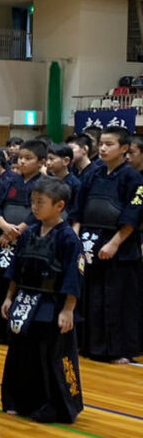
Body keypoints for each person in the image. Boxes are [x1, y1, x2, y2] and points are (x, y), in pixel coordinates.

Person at [0, 177, 84, 423]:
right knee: (21, 353)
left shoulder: (68, 237)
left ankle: (55, 406)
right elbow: (16, 268)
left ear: (59, 206)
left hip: (51, 304)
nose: (34, 207)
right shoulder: (29, 234)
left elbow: (73, 276)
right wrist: (9, 297)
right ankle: (20, 401)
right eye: (33, 202)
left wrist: (68, 310)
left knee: (50, 355)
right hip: (25, 300)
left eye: (40, 202)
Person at [70, 126, 143, 363]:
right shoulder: (94, 173)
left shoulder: (133, 177)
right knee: (91, 297)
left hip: (119, 247)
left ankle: (117, 350)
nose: (102, 148)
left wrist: (115, 243)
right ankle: (90, 346)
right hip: (90, 242)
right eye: (101, 143)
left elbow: (133, 214)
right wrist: (75, 238)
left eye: (109, 144)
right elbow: (79, 208)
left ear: (124, 149)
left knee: (117, 300)